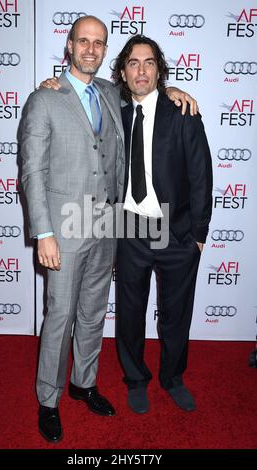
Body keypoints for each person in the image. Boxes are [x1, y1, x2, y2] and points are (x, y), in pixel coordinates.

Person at [22, 17, 197, 443]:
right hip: (63, 230)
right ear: (69, 45)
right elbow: (32, 171)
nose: (91, 49)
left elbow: (146, 93)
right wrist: (43, 233)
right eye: (83, 40)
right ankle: (49, 398)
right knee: (60, 317)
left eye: (99, 43)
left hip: (106, 227)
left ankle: (84, 384)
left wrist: (172, 91)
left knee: (93, 314)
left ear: (105, 53)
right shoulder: (43, 99)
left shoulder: (108, 93)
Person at [113, 35, 213, 414]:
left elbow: (202, 175)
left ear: (159, 69)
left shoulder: (182, 112)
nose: (142, 70)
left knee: (176, 314)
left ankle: (172, 377)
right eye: (134, 63)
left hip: (177, 233)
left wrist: (198, 234)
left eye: (149, 62)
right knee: (130, 312)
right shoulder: (114, 114)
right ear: (123, 71)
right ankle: (135, 379)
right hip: (129, 230)